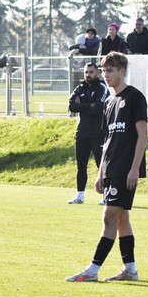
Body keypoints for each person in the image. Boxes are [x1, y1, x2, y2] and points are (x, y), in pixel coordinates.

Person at [65, 51, 148, 283]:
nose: (106, 75)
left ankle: (92, 270)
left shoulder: (134, 98)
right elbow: (107, 140)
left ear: (122, 72)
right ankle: (130, 270)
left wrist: (135, 168)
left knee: (109, 217)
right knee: (122, 219)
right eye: (104, 71)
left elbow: (143, 135)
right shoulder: (109, 102)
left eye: (110, 71)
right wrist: (100, 172)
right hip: (110, 168)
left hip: (125, 169)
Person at [66, 62, 108, 204]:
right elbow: (71, 106)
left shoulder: (102, 88)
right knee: (81, 165)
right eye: (86, 72)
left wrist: (82, 106)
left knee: (100, 165)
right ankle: (80, 195)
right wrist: (88, 105)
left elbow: (98, 108)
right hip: (81, 132)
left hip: (97, 133)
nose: (88, 75)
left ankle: (105, 195)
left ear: (97, 73)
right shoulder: (80, 88)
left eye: (91, 72)